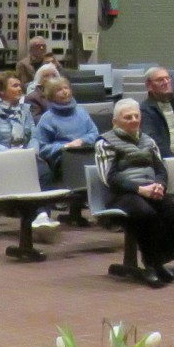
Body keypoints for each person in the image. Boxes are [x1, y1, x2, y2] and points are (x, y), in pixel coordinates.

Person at [97, 98, 174, 287]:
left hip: (150, 189)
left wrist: (159, 185)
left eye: (136, 116)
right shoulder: (105, 142)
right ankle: (151, 265)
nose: (134, 120)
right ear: (115, 121)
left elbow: (161, 169)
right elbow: (110, 177)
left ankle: (160, 258)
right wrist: (139, 189)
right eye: (128, 117)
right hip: (121, 195)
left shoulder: (148, 140)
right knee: (146, 214)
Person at [31, 77, 99, 235]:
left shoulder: (81, 112)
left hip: (85, 153)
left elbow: (94, 133)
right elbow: (42, 147)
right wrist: (64, 146)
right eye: (59, 90)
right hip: (61, 159)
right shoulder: (47, 119)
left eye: (66, 88)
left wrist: (81, 141)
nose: (64, 92)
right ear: (51, 96)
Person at [0, 73, 35, 153]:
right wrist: (10, 152)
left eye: (20, 86)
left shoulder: (25, 110)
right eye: (15, 86)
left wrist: (30, 151)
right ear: (2, 91)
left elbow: (34, 136)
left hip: (24, 155)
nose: (19, 89)